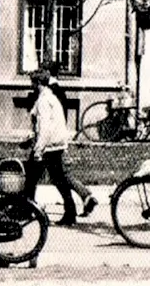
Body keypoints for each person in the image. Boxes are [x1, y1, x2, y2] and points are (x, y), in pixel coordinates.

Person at [20, 69, 78, 226]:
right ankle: (70, 213)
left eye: (33, 82)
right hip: (56, 144)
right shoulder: (51, 97)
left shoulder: (44, 101)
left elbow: (45, 127)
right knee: (59, 180)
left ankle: (26, 210)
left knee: (30, 178)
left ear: (38, 83)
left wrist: (38, 149)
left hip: (48, 146)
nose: (31, 85)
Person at [42, 61, 99, 217]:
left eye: (43, 70)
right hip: (56, 138)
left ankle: (78, 203)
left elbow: (51, 118)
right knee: (59, 175)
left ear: (48, 73)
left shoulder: (50, 91)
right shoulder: (59, 90)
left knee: (58, 176)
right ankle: (80, 201)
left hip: (51, 140)